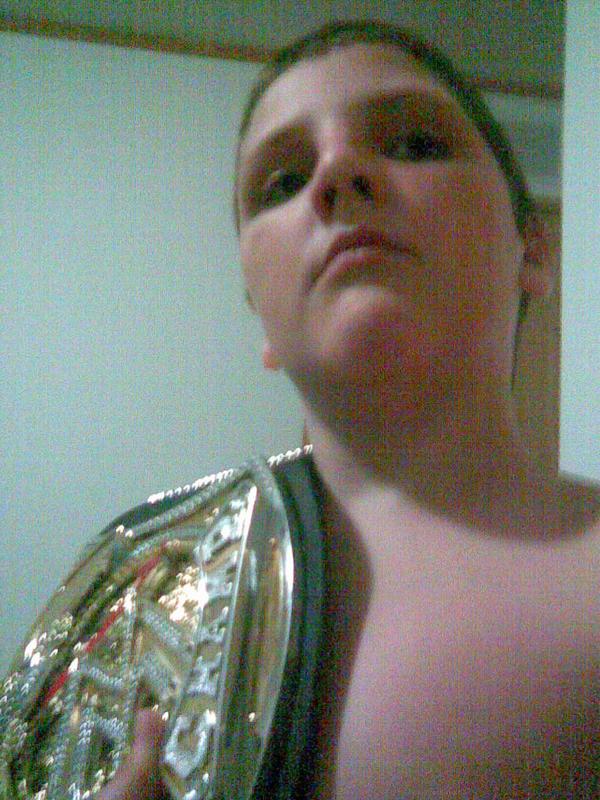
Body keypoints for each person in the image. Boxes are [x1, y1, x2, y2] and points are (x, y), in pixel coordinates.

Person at [6, 20, 599, 800]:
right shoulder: (134, 608)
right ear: (261, 316)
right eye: (282, 183)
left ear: (535, 250)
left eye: (415, 142)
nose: (338, 171)